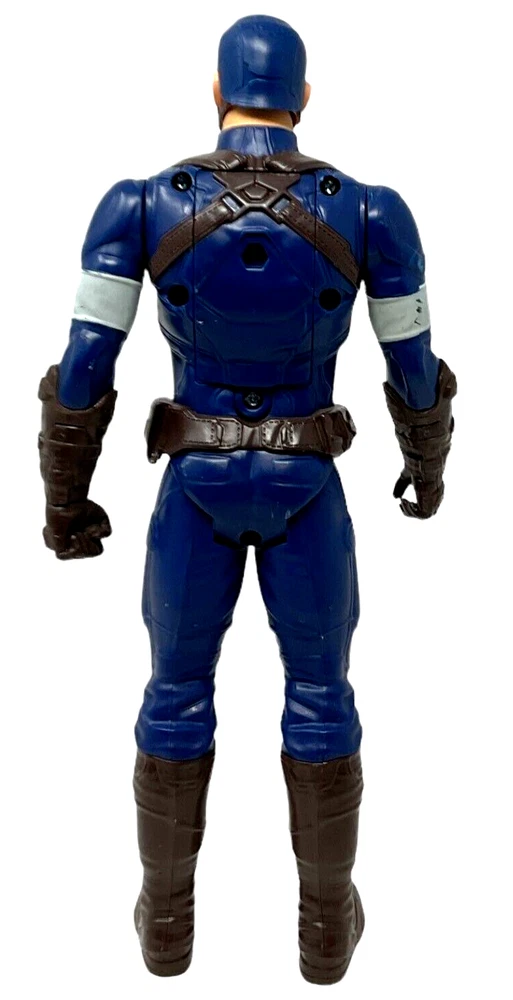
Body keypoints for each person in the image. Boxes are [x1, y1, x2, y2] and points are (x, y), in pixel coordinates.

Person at [38, 14, 456, 985]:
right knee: (322, 697)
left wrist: (66, 498)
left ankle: (166, 926)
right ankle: (324, 931)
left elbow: (85, 363)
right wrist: (427, 464)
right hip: (309, 483)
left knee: (174, 695)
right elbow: (415, 362)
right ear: (303, 98)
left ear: (215, 92)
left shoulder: (140, 205)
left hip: (194, 485)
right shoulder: (372, 212)